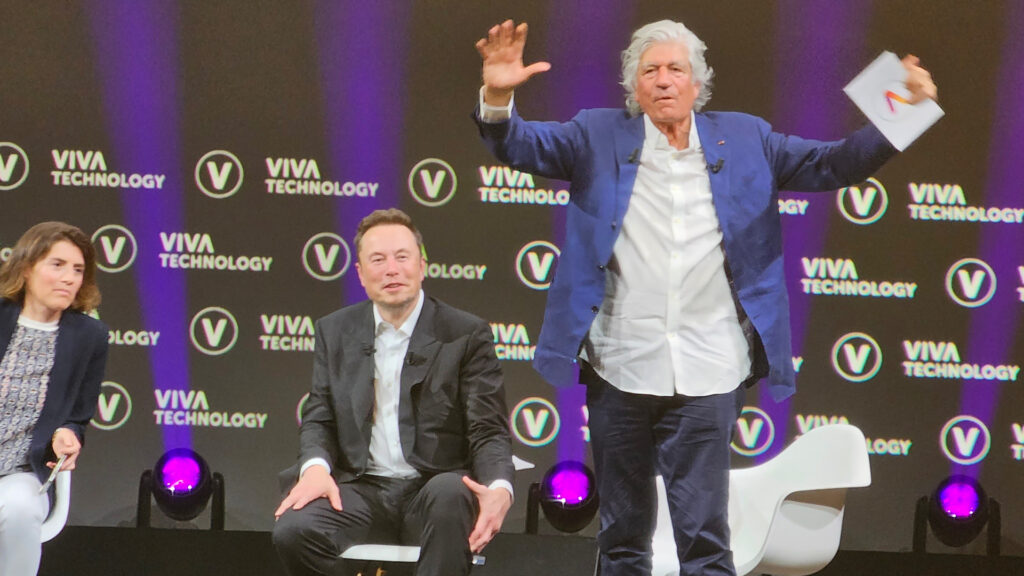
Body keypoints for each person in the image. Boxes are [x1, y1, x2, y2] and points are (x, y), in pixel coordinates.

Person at [474, 19, 936, 576]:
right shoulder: (595, 134)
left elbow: (832, 163)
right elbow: (520, 144)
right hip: (619, 366)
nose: (663, 80)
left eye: (676, 69)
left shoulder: (746, 138)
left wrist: (903, 111)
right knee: (622, 539)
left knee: (705, 539)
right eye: (650, 71)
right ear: (635, 88)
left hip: (710, 368)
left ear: (698, 85)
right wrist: (498, 96)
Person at [272, 208, 514, 576]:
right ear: (361, 274)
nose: (391, 269)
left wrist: (499, 487)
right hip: (363, 489)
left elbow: (489, 428)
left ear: (422, 265)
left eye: (402, 257)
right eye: (378, 260)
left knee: (451, 494)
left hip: (433, 489)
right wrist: (316, 468)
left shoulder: (465, 333)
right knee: (293, 531)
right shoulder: (334, 331)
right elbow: (319, 415)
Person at [0, 221, 108, 576]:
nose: (69, 278)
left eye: (78, 270)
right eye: (57, 265)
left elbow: (77, 416)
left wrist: (69, 434)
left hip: (18, 471)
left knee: (19, 509)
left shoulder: (89, 336)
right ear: (27, 268)